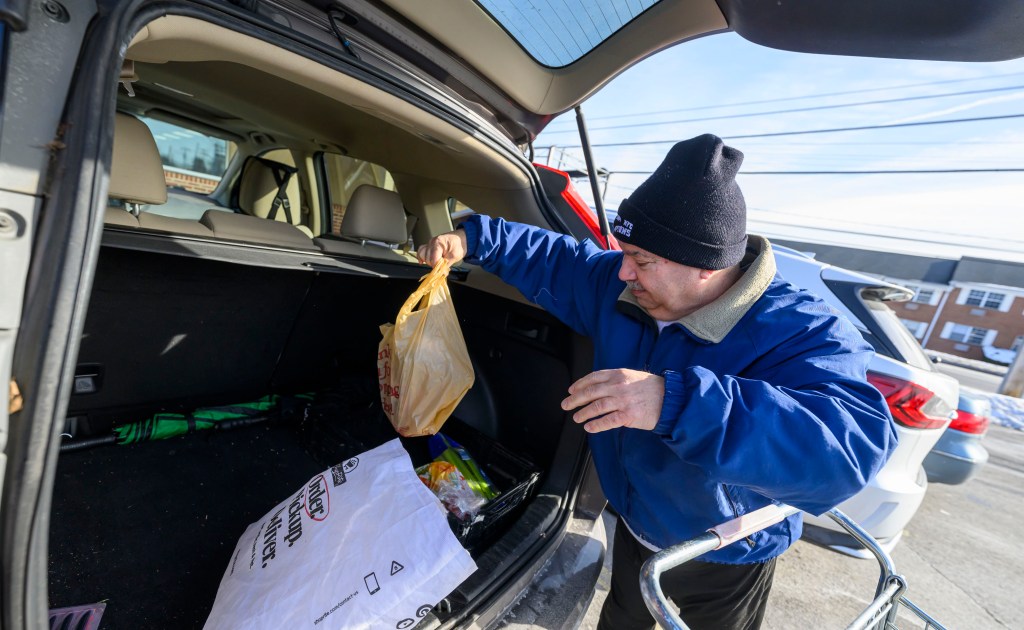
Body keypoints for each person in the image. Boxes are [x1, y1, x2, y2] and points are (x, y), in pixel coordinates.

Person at [417, 134, 897, 630]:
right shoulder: (618, 282)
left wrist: (675, 402)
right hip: (637, 528)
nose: (623, 270)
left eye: (642, 260)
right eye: (625, 252)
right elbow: (556, 258)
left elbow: (849, 450)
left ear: (708, 267)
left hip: (727, 550)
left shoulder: (802, 330)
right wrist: (475, 239)